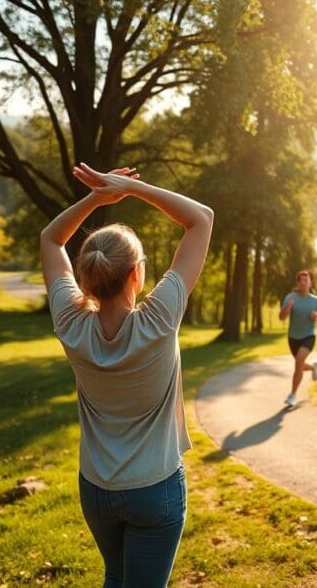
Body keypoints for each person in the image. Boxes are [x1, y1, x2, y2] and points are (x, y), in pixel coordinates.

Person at [40, 162, 213, 588]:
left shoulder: (70, 322)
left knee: (116, 577)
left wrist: (97, 198)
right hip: (155, 488)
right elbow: (201, 219)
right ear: (137, 274)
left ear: (86, 278)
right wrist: (132, 189)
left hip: (96, 490)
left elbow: (51, 239)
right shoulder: (159, 319)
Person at [278, 270, 317, 407]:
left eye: (306, 280)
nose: (303, 283)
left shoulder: (316, 300)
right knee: (300, 365)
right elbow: (281, 317)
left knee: (298, 362)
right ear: (297, 283)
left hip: (309, 336)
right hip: (293, 337)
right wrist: (288, 307)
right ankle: (313, 367)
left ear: (310, 283)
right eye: (301, 280)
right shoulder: (290, 298)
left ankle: (292, 395)